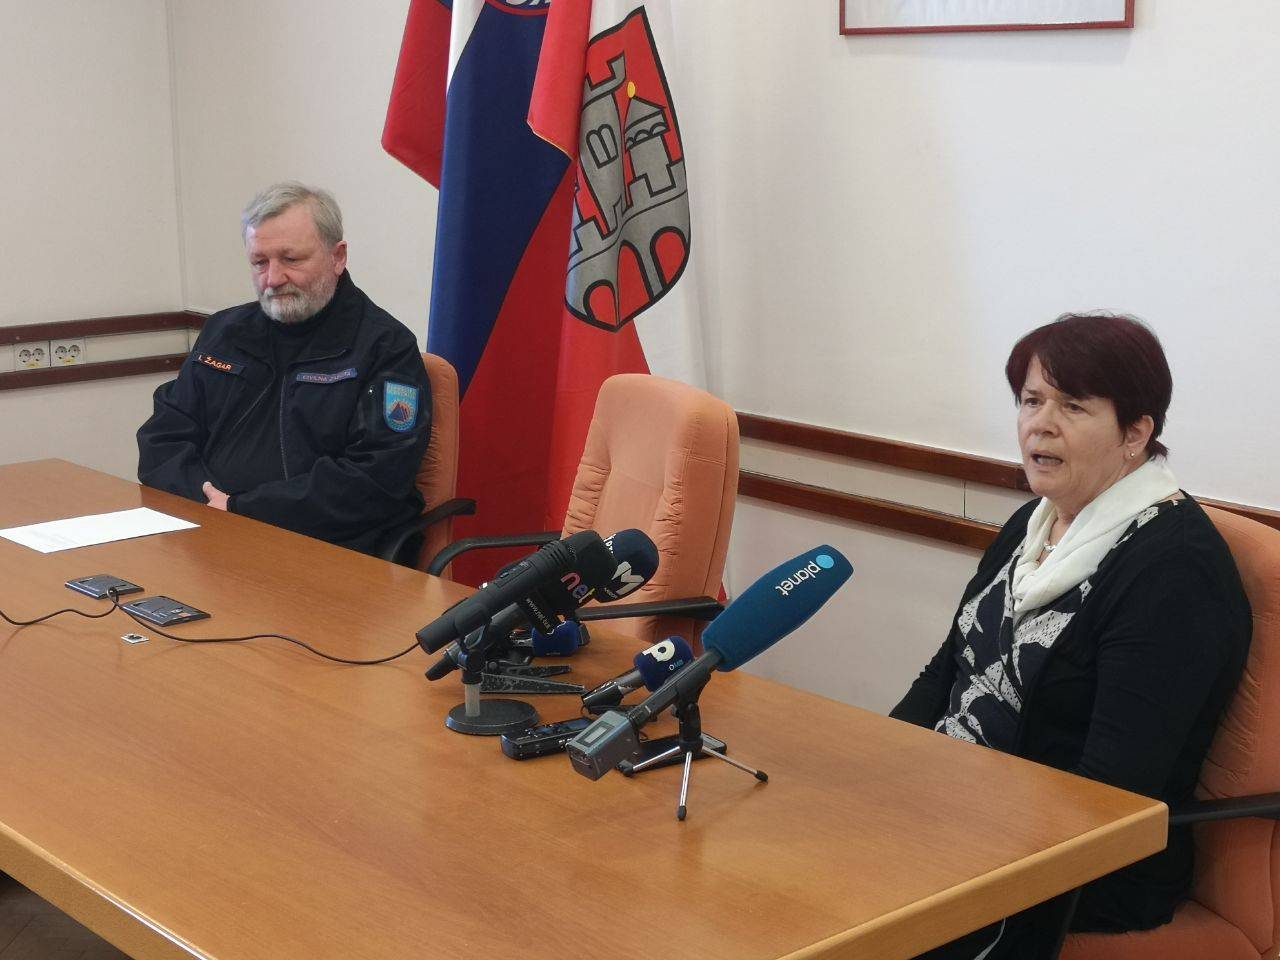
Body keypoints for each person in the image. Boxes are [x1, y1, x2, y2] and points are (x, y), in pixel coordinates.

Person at [893, 314, 1251, 959]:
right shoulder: (1034, 524)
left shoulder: (1173, 570)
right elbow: (948, 671)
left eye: (1073, 406)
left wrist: (947, 828)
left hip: (1073, 865)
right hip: (951, 809)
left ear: (1135, 433)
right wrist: (878, 766)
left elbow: (1111, 789)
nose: (1041, 424)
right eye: (1031, 401)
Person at [137, 182, 431, 555]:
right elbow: (163, 437)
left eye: (291, 259)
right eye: (260, 262)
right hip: (208, 532)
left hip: (326, 548)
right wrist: (207, 503)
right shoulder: (225, 332)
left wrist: (244, 509)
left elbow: (377, 478)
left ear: (338, 257)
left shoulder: (384, 346)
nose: (273, 279)